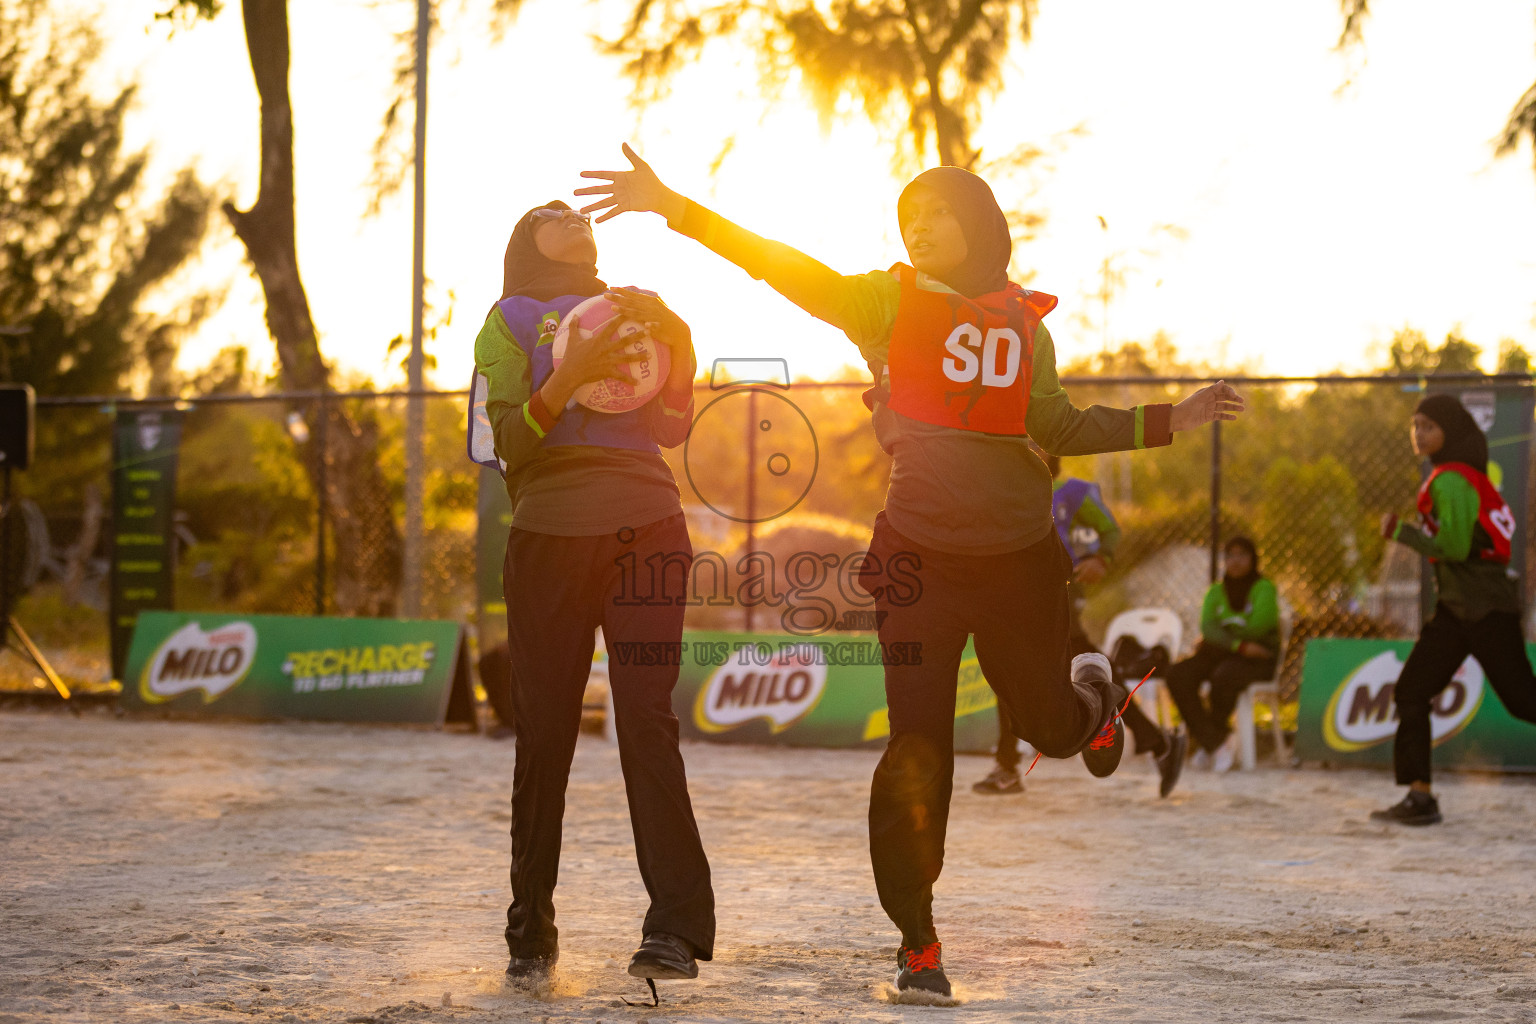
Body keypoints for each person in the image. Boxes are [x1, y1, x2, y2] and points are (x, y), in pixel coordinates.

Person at [576, 145, 1243, 997]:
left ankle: (1095, 702)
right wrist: (675, 205)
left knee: (1052, 731)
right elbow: (782, 267)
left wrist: (1168, 418)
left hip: (1017, 562)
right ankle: (918, 944)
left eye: (937, 214)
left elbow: (1060, 424)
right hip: (917, 560)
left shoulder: (1025, 325)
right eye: (908, 219)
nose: (920, 229)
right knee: (917, 751)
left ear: (980, 225)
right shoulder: (887, 300)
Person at [475, 200, 715, 985]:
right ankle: (529, 924)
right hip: (549, 536)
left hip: (648, 528)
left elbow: (673, 425)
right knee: (545, 732)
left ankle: (674, 929)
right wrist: (569, 378)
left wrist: (679, 342)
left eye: (579, 214)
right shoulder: (507, 320)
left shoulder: (635, 308)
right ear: (524, 241)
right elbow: (508, 441)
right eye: (551, 215)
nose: (571, 218)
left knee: (646, 720)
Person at [973, 448, 1187, 798]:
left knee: (1080, 660)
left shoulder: (1070, 494)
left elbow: (1110, 530)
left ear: (1051, 453)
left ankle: (1157, 742)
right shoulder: (1008, 492)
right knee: (1012, 667)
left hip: (1059, 589)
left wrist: (1100, 556)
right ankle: (1157, 742)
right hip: (1020, 594)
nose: (1026, 446)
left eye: (1035, 441)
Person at [1371, 394, 1536, 826]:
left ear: (1450, 432)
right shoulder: (1463, 476)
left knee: (1524, 702)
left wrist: (1402, 534)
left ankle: (1420, 796)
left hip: (1483, 609)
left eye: (1429, 425)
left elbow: (1456, 548)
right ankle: (1420, 796)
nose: (1419, 433)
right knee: (1411, 691)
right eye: (1415, 424)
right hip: (1458, 609)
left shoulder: (1451, 479)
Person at [1162, 536, 1279, 773]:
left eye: (1242, 555)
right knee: (1177, 675)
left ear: (1253, 558)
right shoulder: (1215, 591)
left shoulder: (1264, 588)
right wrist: (1239, 644)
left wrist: (1223, 633)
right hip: (1233, 652)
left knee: (1223, 675)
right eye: (1231, 555)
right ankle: (1215, 740)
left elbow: (1257, 627)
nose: (1235, 561)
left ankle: (1211, 742)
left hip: (1259, 658)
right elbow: (1208, 627)